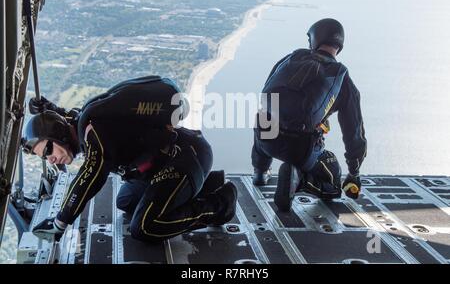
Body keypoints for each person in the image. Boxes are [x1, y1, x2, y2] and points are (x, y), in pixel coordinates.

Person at [22, 75, 237, 242]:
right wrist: (48, 109)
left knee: (146, 226)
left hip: (185, 159)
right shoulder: (83, 125)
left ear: (59, 134)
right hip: (160, 166)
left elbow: (91, 176)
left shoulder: (94, 132)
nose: (50, 159)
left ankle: (219, 204)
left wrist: (60, 222)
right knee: (125, 201)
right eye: (44, 156)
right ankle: (208, 184)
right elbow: (67, 116)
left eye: (48, 149)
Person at [251, 18, 367, 211]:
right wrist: (354, 172)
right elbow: (353, 131)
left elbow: (265, 98)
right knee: (333, 182)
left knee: (265, 117)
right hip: (300, 149)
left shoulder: (290, 58)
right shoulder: (341, 76)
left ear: (315, 39)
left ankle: (260, 173)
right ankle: (300, 180)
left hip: (265, 139)